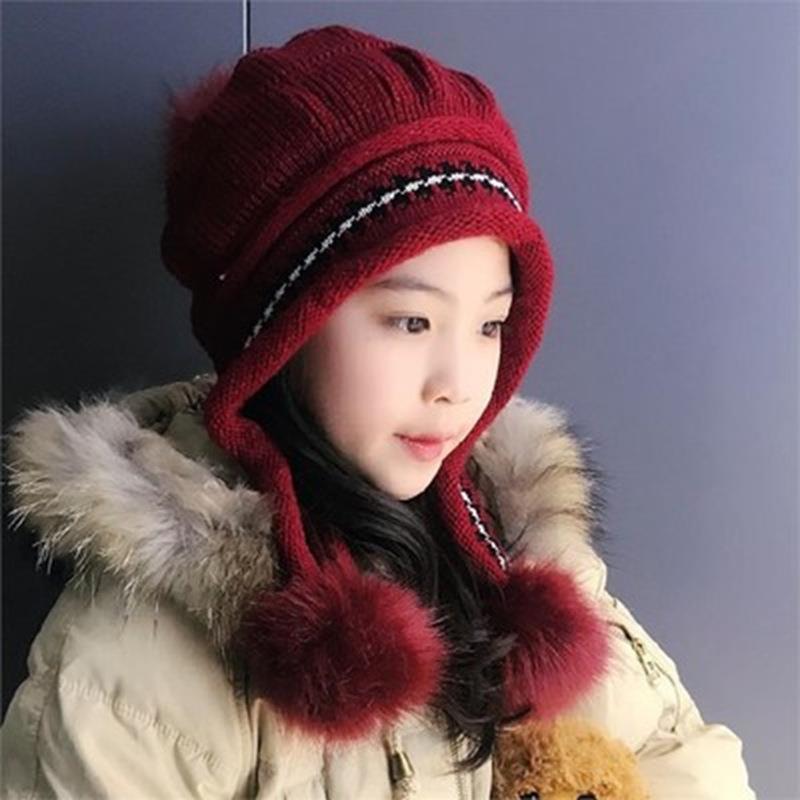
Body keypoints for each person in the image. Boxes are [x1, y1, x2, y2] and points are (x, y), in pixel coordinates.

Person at [1, 23, 756, 800]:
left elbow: (680, 755)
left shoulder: (510, 539)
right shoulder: (134, 669)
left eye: (490, 325)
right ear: (283, 330)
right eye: (411, 322)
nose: (458, 384)